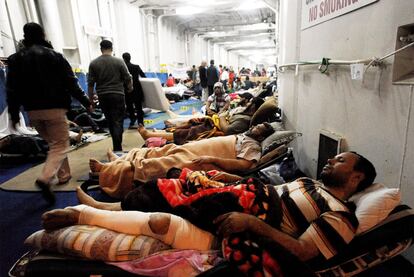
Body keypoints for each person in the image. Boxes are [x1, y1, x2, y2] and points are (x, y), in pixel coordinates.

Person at [43, 151, 376, 275]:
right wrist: (229, 177)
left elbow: (304, 252)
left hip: (259, 214)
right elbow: (261, 183)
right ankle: (108, 204)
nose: (331, 161)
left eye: (341, 160)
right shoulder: (308, 182)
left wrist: (251, 225)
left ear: (356, 177)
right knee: (178, 176)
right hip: (252, 193)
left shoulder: (341, 216)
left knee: (179, 199)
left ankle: (98, 210)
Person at [6, 22, 92, 204]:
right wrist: (86, 102)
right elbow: (71, 82)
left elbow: (11, 90)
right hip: (55, 107)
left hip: (32, 111)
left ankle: (63, 175)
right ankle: (45, 179)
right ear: (43, 34)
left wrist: (14, 115)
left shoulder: (15, 59)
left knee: (55, 144)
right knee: (60, 145)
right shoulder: (54, 56)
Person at [88, 123, 275, 198]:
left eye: (261, 128)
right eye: (258, 124)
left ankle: (109, 171)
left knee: (160, 164)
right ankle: (119, 160)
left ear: (262, 136)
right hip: (200, 148)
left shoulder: (253, 146)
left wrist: (211, 158)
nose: (256, 126)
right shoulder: (245, 135)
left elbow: (245, 165)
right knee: (161, 151)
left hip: (205, 158)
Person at [137, 96, 264, 144]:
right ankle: (162, 133)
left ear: (253, 106)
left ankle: (151, 135)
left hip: (216, 128)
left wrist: (220, 117)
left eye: (251, 102)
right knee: (192, 123)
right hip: (215, 121)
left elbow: (228, 130)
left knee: (193, 130)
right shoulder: (243, 112)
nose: (248, 103)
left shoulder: (244, 119)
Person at [88, 40, 132, 151]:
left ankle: (116, 145)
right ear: (112, 48)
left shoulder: (93, 63)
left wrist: (91, 101)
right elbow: (128, 77)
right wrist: (129, 88)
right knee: (118, 121)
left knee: (110, 121)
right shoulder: (119, 61)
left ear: (101, 49)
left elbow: (90, 84)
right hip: (118, 95)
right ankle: (118, 147)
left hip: (103, 96)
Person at [122, 52, 146, 128]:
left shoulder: (122, 68)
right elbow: (144, 76)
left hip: (127, 90)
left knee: (129, 107)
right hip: (137, 89)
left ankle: (132, 120)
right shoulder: (136, 67)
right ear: (130, 58)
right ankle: (140, 122)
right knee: (139, 107)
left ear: (123, 59)